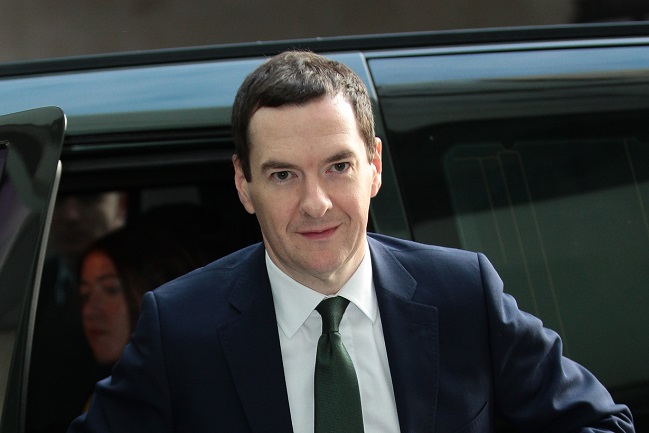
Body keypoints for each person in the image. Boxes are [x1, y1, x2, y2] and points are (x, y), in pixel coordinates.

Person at [68, 51, 635, 433]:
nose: (316, 203)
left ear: (374, 166)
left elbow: (603, 425)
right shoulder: (180, 327)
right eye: (283, 174)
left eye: (337, 166)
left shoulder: (462, 293)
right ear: (244, 185)